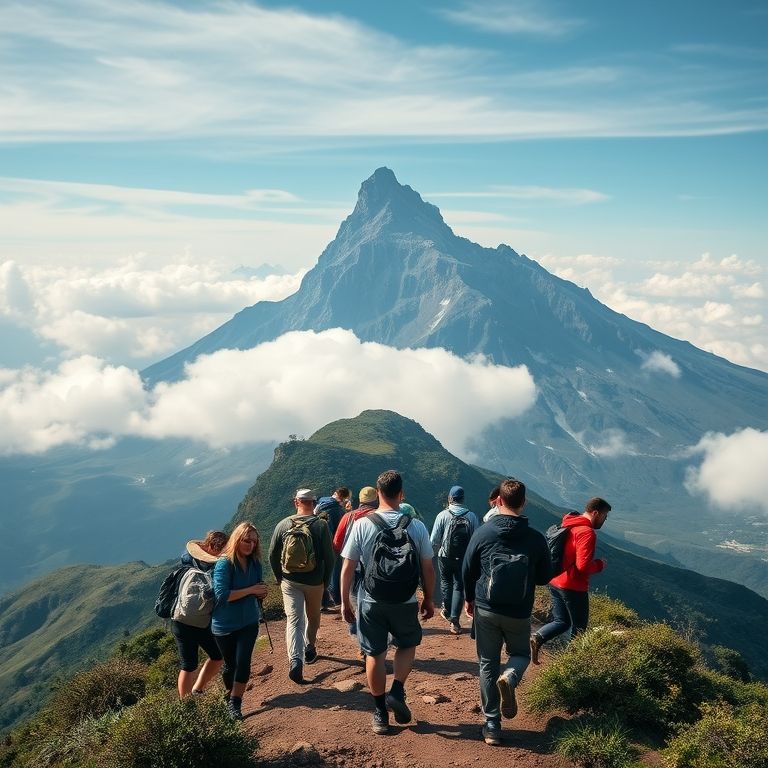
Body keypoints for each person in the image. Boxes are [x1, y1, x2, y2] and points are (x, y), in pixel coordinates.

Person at [340, 470, 435, 735]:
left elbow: (347, 567)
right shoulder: (415, 526)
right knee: (406, 645)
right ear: (401, 494)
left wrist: (345, 603)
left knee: (374, 654)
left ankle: (380, 713)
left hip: (371, 599)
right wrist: (428, 598)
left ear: (377, 493)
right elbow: (428, 568)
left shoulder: (362, 524)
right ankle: (398, 690)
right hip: (405, 600)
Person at [462, 478, 552, 746]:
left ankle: (491, 725)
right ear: (523, 503)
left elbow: (468, 570)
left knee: (487, 663)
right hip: (519, 612)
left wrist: (469, 600)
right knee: (521, 654)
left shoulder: (483, 532)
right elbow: (544, 577)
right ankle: (511, 676)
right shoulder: (536, 539)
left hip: (486, 608)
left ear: (498, 501)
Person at [530, 497, 611, 663]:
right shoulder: (586, 532)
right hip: (573, 586)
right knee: (579, 628)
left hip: (555, 580)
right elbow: (582, 567)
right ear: (595, 513)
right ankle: (572, 664)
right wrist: (600, 564)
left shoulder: (569, 523)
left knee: (562, 621)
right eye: (604, 516)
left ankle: (538, 637)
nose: (604, 520)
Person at [269, 488, 335, 684]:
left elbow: (272, 554)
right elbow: (329, 557)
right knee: (313, 616)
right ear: (313, 503)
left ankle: (295, 660)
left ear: (295, 502)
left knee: (294, 620)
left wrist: (279, 577)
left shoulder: (283, 524)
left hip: (290, 581)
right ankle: (310, 648)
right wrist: (326, 581)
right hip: (315, 582)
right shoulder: (321, 525)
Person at [212, 522, 268, 720]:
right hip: (224, 625)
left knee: (243, 663)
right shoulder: (224, 563)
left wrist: (260, 593)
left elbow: (256, 588)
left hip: (249, 622)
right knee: (230, 666)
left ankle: (235, 703)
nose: (251, 545)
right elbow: (221, 595)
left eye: (254, 541)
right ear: (237, 539)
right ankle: (229, 696)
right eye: (246, 540)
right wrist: (252, 590)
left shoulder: (255, 563)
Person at [172, 531, 228, 698]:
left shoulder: (187, 560)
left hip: (180, 619)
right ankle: (197, 690)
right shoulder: (216, 567)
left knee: (187, 665)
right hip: (203, 622)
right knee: (217, 656)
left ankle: (186, 703)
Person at [333, 486, 378, 651]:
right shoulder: (380, 517)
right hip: (377, 572)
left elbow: (336, 543)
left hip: (353, 570)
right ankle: (372, 643)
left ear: (360, 501)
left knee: (356, 605)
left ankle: (361, 642)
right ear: (376, 501)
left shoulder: (348, 517)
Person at [430, 486, 478, 635]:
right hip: (464, 558)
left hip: (445, 556)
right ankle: (455, 621)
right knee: (459, 586)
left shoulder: (443, 515)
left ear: (450, 498)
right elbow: (477, 540)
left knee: (446, 582)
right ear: (463, 499)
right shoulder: (472, 517)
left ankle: (447, 610)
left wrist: (431, 555)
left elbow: (434, 540)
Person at [315, 487, 350, 608]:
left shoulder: (320, 503)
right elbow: (340, 530)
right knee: (335, 571)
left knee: (320, 571)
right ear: (344, 498)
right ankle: (336, 599)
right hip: (332, 544)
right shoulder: (337, 510)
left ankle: (322, 601)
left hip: (318, 543)